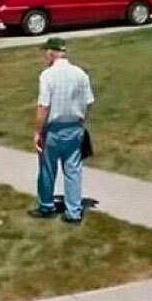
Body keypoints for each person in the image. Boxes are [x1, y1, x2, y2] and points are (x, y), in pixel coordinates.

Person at [31, 37, 95, 224]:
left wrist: (37, 132)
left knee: (47, 169)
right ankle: (74, 211)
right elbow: (89, 102)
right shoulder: (80, 74)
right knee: (73, 169)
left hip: (53, 129)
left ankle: (46, 205)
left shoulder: (47, 76)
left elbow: (44, 106)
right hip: (75, 127)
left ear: (51, 53)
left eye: (45, 53)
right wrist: (82, 119)